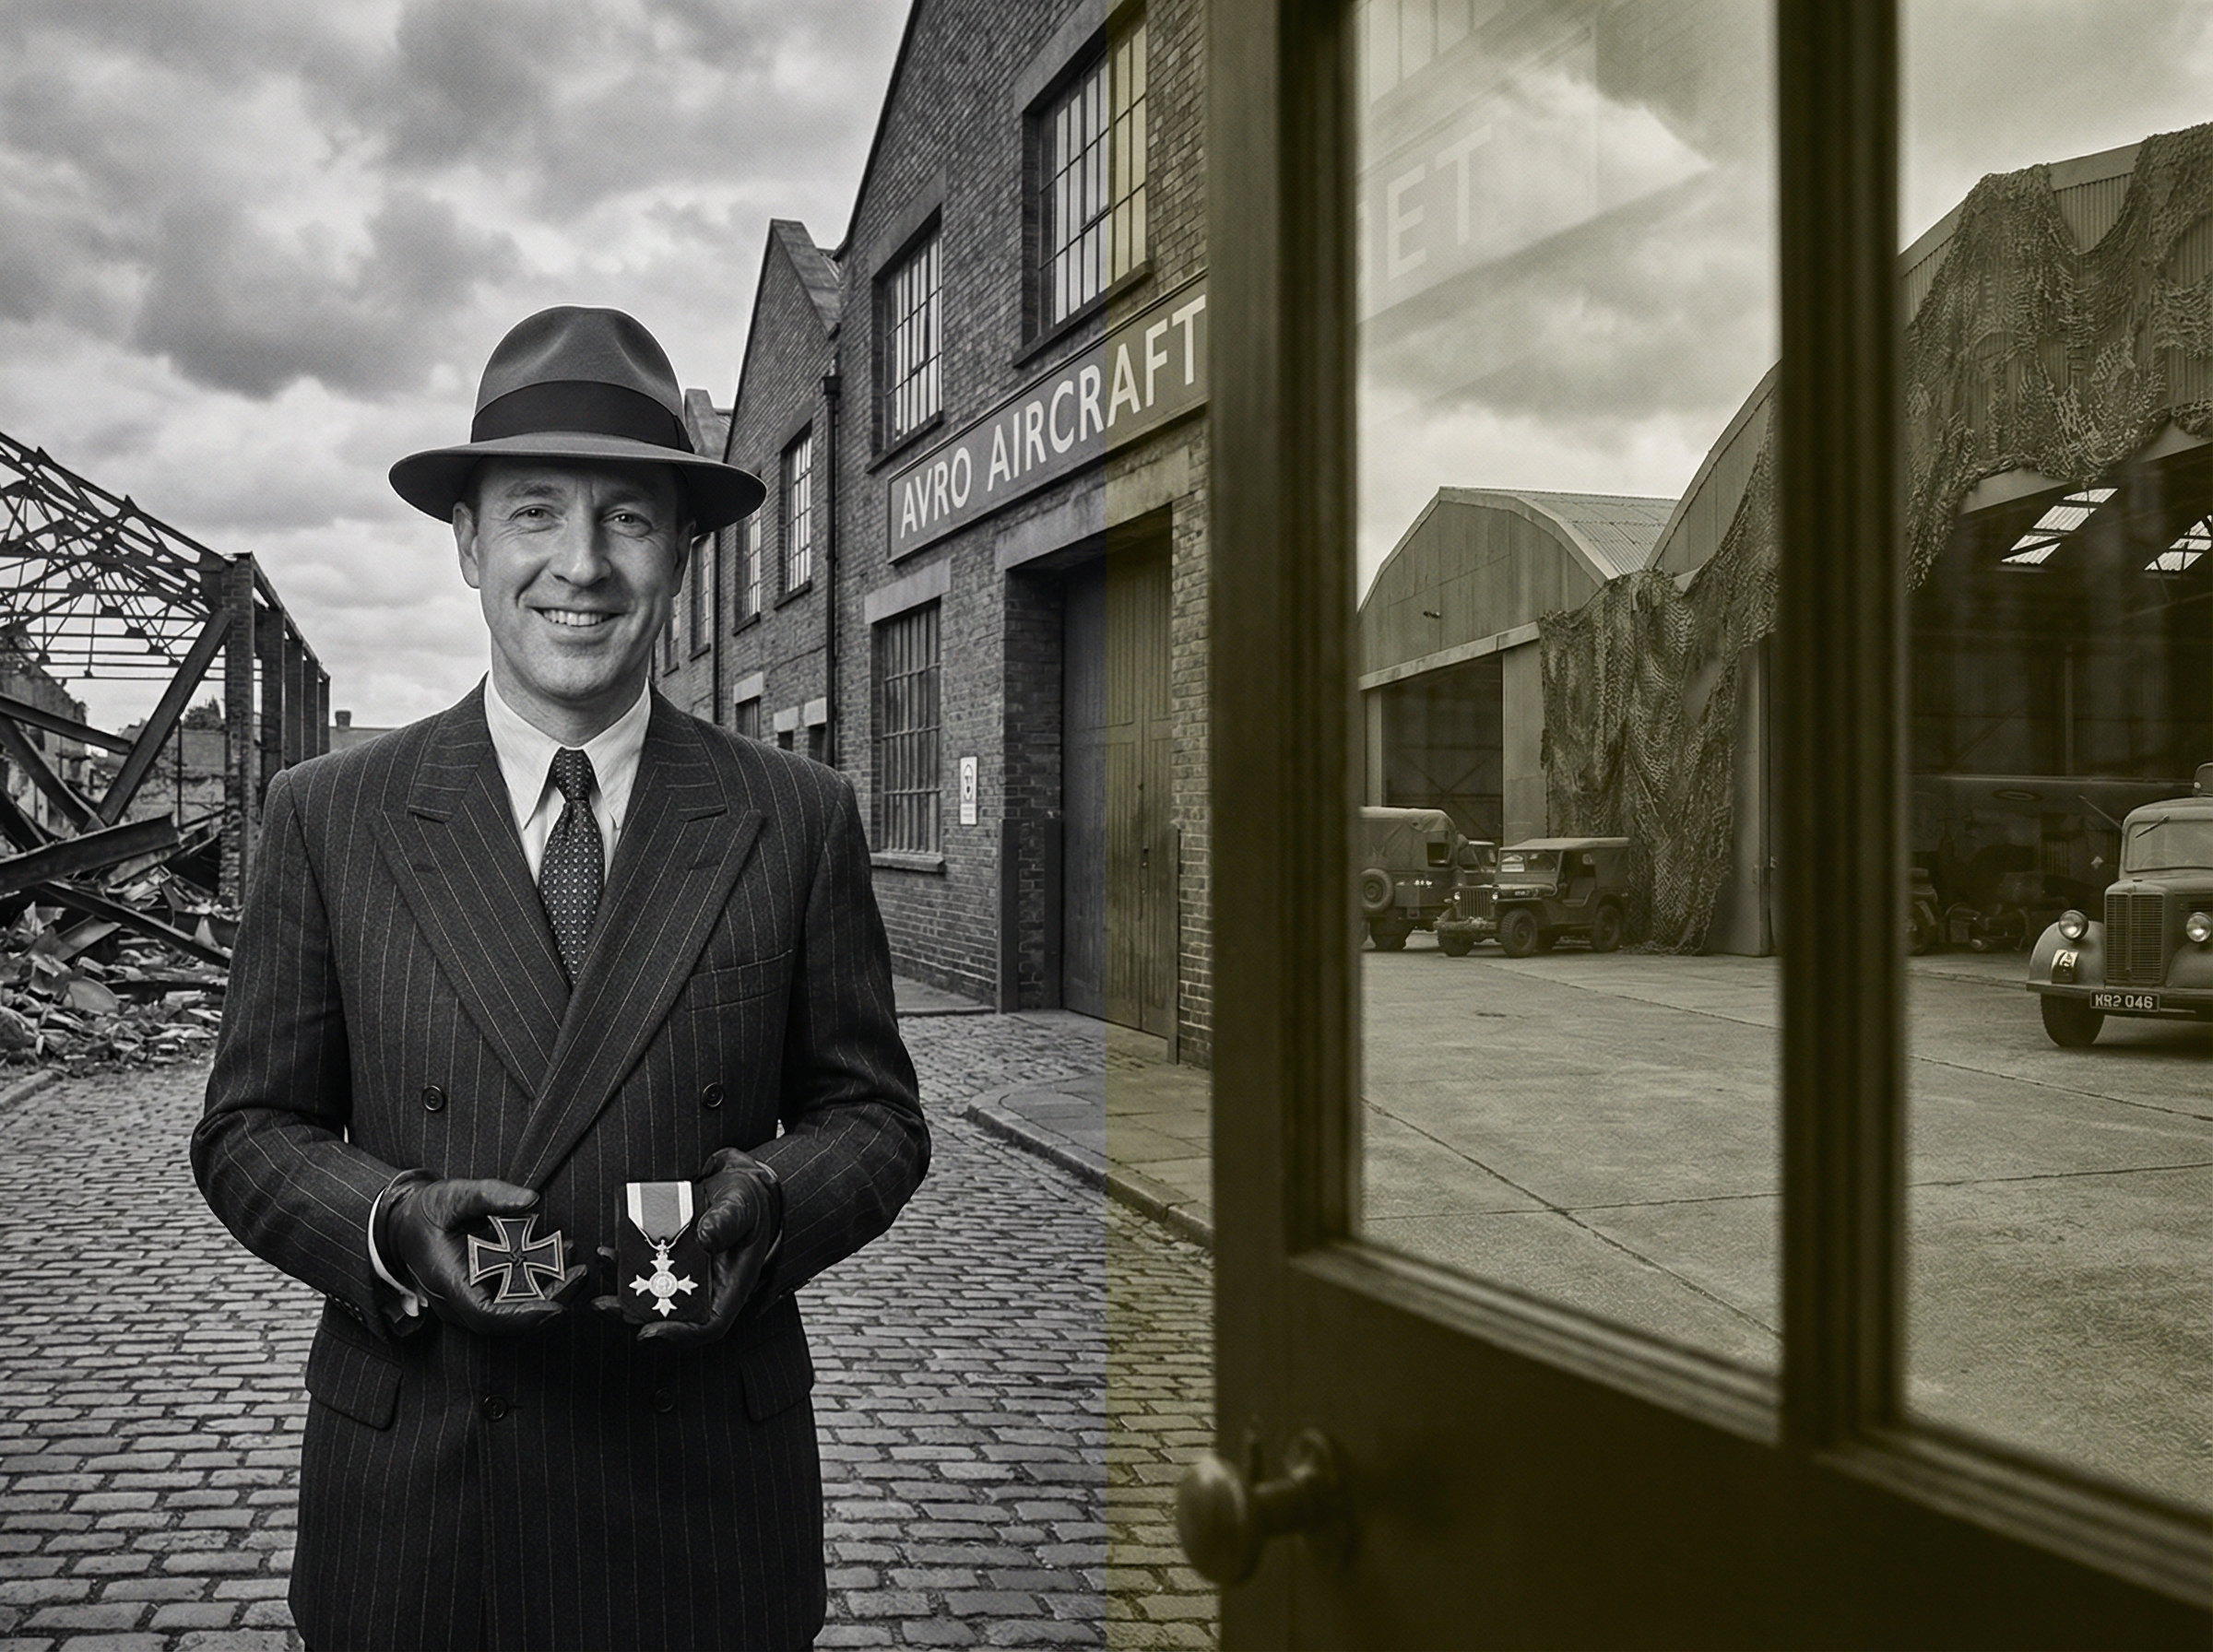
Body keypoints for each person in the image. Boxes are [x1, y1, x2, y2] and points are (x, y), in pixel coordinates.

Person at [191, 305, 929, 1651]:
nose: (580, 567)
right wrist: (390, 1226)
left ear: (686, 553)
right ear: (469, 544)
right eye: (534, 514)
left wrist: (770, 1202)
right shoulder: (329, 816)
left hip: (703, 1495)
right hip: (421, 1502)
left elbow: (877, 1119)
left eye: (629, 520)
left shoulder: (797, 813)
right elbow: (248, 1134)